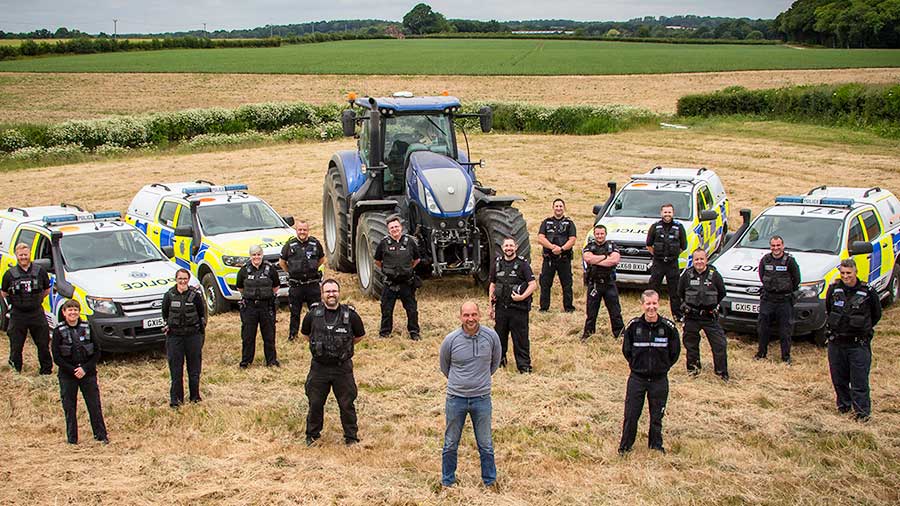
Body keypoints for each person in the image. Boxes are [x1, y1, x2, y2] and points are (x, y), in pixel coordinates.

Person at [439, 301, 501, 487]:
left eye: (473, 314)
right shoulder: (451, 340)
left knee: (486, 444)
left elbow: (495, 363)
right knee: (450, 443)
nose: (470, 319)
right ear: (460, 317)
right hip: (455, 399)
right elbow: (445, 366)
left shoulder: (491, 337)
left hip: (481, 399)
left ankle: (490, 482)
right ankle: (447, 482)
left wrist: (479, 381)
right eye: (466, 315)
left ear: (479, 315)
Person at [301, 278, 366, 446]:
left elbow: (359, 336)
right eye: (328, 291)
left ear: (339, 293)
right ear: (322, 294)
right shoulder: (313, 314)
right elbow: (307, 334)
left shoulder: (350, 315)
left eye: (334, 291)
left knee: (347, 404)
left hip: (342, 368)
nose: (331, 294)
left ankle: (351, 437)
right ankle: (313, 435)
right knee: (315, 403)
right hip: (319, 368)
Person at [618, 290, 680, 455]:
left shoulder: (668, 328)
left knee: (656, 416)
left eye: (654, 303)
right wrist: (637, 366)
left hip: (659, 380)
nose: (651, 307)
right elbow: (627, 350)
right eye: (648, 304)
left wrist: (662, 367)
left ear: (659, 304)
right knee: (631, 414)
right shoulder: (633, 326)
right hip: (637, 378)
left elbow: (675, 353)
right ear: (642, 305)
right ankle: (625, 447)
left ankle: (655, 446)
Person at [825, 258, 881, 421]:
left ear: (855, 272)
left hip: (858, 344)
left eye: (848, 273)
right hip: (837, 343)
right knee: (838, 378)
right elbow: (829, 308)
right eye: (842, 273)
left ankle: (862, 413)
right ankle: (843, 406)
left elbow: (876, 314)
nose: (845, 276)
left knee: (859, 381)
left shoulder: (867, 291)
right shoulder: (834, 289)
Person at [51, 299, 108, 445]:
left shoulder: (88, 327)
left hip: (88, 373)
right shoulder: (58, 331)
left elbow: (97, 352)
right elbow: (56, 357)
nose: (73, 312)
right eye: (69, 310)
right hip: (67, 376)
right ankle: (72, 439)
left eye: (75, 309)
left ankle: (101, 435)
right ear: (64, 313)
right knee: (69, 407)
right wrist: (73, 370)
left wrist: (85, 368)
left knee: (94, 405)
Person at [677, 249, 729, 380]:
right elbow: (680, 292)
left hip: (709, 317)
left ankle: (721, 373)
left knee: (719, 344)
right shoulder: (687, 275)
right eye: (696, 259)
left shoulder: (714, 275)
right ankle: (693, 370)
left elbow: (722, 292)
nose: (699, 262)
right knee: (691, 345)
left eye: (702, 259)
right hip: (692, 317)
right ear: (693, 261)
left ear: (706, 259)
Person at [2, 243, 52, 374]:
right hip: (18, 314)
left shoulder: (40, 271)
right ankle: (15, 370)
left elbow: (47, 289)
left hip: (36, 313)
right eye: (21, 255)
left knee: (43, 344)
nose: (23, 257)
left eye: (26, 254)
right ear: (16, 256)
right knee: (16, 345)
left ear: (30, 254)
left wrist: (37, 300)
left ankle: (46, 371)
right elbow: (4, 292)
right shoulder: (9, 274)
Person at [489, 237, 537, 373]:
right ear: (502, 248)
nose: (508, 248)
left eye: (511, 246)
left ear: (516, 247)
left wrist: (522, 297)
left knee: (520, 339)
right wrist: (490, 307)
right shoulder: (497, 264)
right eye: (506, 246)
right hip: (501, 308)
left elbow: (533, 284)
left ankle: (524, 366)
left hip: (518, 310)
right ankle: (499, 363)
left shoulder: (523, 264)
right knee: (499, 338)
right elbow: (492, 285)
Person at [161, 268, 207, 407]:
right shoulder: (169, 295)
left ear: (188, 279)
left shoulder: (195, 295)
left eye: (185, 279)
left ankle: (195, 397)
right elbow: (165, 313)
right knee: (176, 370)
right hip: (175, 337)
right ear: (176, 279)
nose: (182, 281)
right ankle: (176, 400)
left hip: (192, 336)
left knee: (194, 369)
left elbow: (201, 314)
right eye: (180, 279)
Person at [374, 216, 421, 340]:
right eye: (391, 228)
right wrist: (387, 270)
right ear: (388, 230)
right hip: (390, 283)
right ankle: (385, 333)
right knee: (386, 310)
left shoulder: (410, 242)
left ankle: (414, 332)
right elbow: (377, 261)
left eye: (396, 227)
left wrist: (407, 269)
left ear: (401, 228)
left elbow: (417, 259)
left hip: (406, 282)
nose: (394, 229)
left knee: (412, 310)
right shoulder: (383, 243)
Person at [756, 235, 801, 363]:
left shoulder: (790, 261)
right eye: (773, 245)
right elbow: (761, 275)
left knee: (785, 330)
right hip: (768, 299)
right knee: (763, 328)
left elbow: (796, 280)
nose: (776, 248)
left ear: (783, 246)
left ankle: (785, 357)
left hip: (784, 301)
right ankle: (761, 354)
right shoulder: (765, 260)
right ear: (770, 246)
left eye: (778, 245)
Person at [279, 220, 325, 342]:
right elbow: (282, 262)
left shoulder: (315, 244)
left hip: (312, 284)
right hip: (296, 285)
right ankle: (293, 336)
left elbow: (321, 259)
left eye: (304, 230)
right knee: (295, 312)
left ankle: (316, 334)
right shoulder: (290, 245)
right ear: (296, 231)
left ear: (308, 231)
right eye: (300, 230)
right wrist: (291, 272)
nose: (302, 232)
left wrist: (313, 269)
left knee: (316, 312)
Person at [237, 245, 281, 368]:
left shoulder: (270, 269)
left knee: (269, 335)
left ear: (262, 255)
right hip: (250, 308)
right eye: (254, 255)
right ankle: (246, 361)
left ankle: (271, 361)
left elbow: (276, 286)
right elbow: (240, 287)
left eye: (258, 254)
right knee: (248, 336)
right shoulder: (244, 270)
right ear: (250, 256)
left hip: (266, 307)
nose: (256, 257)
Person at [582, 224, 625, 341]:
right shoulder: (589, 246)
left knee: (615, 311)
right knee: (591, 312)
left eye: (602, 234)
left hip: (609, 284)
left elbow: (615, 260)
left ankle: (620, 334)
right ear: (594, 235)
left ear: (605, 234)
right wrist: (605, 257)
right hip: (594, 283)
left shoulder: (612, 246)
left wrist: (597, 260)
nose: (599, 236)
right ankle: (588, 334)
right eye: (597, 234)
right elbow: (588, 259)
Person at [646, 204, 687, 321]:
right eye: (665, 212)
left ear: (673, 213)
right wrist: (657, 255)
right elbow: (649, 244)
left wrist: (673, 256)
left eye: (669, 212)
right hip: (658, 263)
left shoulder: (679, 227)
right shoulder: (655, 226)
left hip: (672, 264)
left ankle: (677, 316)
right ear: (661, 213)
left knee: (675, 292)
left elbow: (684, 246)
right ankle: (650, 312)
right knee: (653, 290)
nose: (667, 214)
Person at [537, 199, 577, 312]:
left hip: (564, 259)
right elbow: (540, 238)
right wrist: (552, 247)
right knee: (545, 284)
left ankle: (568, 307)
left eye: (560, 206)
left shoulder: (569, 223)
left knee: (567, 284)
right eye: (556, 206)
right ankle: (544, 308)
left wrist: (562, 249)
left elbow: (572, 239)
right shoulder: (546, 222)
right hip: (549, 259)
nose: (558, 208)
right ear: (553, 208)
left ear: (564, 208)